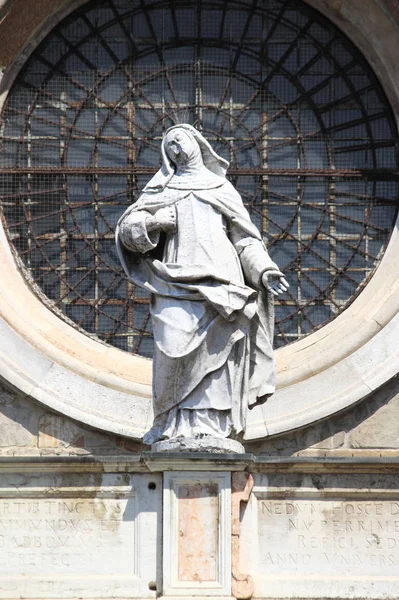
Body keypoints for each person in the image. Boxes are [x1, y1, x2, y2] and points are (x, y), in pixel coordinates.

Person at [115, 124, 288, 445]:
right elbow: (127, 231)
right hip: (174, 281)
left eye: (179, 142)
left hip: (223, 279)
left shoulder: (220, 188)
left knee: (221, 352)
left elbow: (246, 241)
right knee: (172, 342)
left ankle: (214, 426)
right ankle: (171, 422)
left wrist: (265, 270)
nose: (176, 150)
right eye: (170, 148)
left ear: (197, 143)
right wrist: (154, 222)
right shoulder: (160, 191)